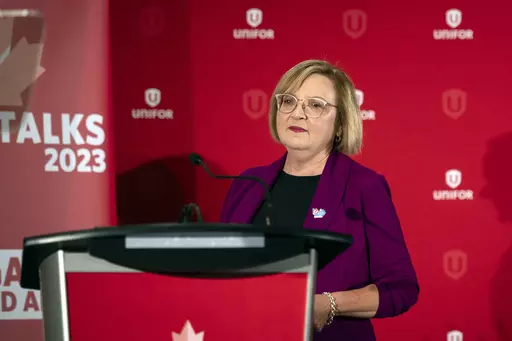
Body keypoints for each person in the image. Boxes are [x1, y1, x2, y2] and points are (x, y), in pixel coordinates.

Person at [219, 59, 419, 341]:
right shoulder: (248, 184)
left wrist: (329, 304)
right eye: (288, 101)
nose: (297, 114)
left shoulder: (364, 187)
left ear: (340, 123)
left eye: (315, 105)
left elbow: (401, 288)